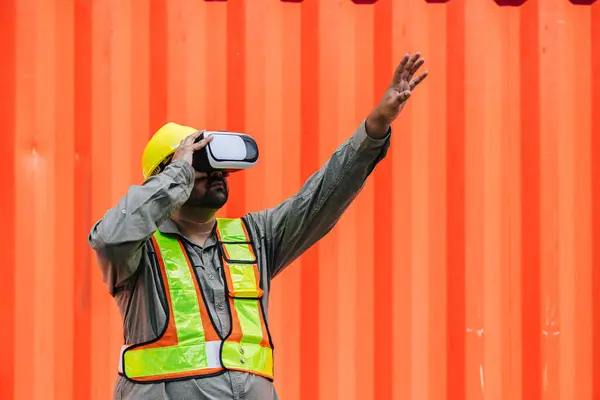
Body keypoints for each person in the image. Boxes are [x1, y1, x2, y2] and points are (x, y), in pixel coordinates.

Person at [89, 52, 428, 400]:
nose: (219, 172)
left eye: (221, 166)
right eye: (203, 163)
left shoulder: (254, 237)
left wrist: (375, 127)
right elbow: (108, 238)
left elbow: (322, 196)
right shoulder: (140, 250)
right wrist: (179, 174)